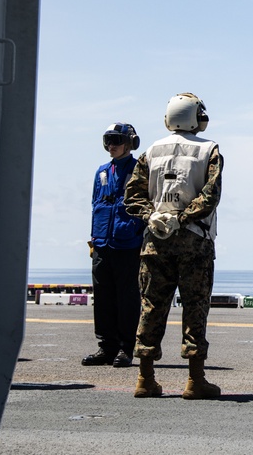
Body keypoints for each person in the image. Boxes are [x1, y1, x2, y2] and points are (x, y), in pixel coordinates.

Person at [124, 93, 223, 400]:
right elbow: (210, 195)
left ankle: (145, 378)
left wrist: (153, 215)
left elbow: (132, 195)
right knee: (195, 307)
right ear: (198, 117)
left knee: (151, 306)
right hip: (194, 239)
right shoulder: (209, 149)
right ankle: (195, 380)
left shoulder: (152, 150)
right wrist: (182, 218)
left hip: (155, 240)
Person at [82, 123, 144, 368]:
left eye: (117, 140)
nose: (111, 146)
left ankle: (126, 349)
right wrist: (94, 240)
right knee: (103, 297)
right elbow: (96, 204)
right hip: (102, 244)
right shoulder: (102, 171)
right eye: (108, 140)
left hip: (128, 244)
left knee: (127, 298)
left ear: (130, 142)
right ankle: (106, 347)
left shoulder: (140, 169)